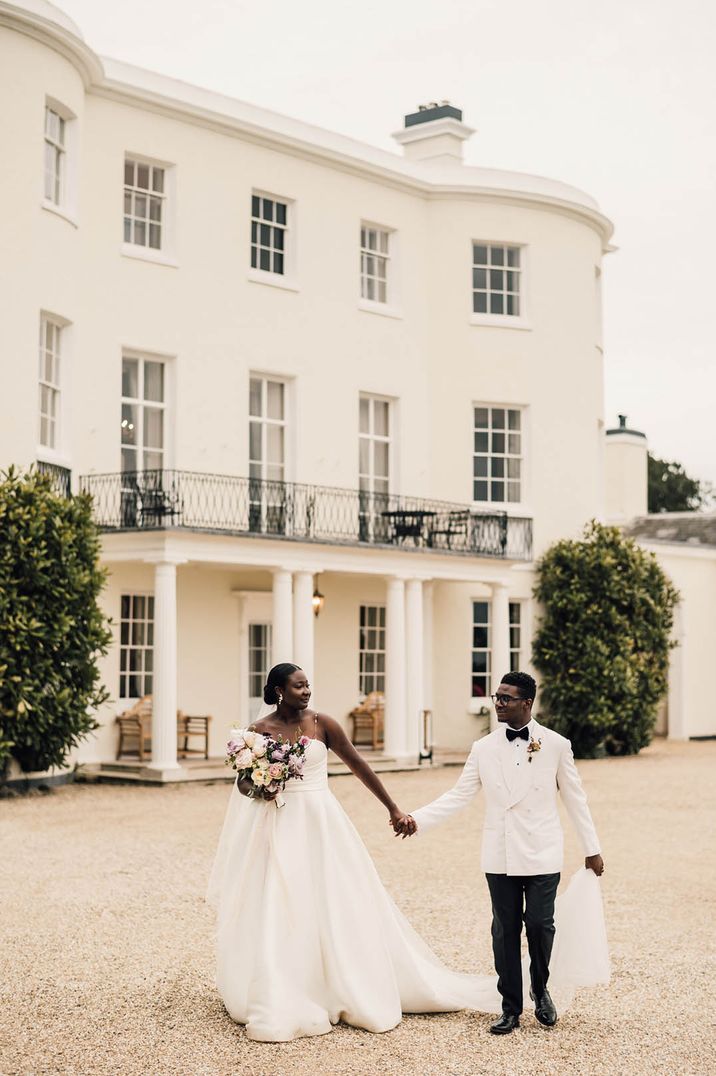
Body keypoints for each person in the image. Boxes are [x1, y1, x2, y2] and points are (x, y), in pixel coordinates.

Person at [206, 662, 503, 1042]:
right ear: (279, 691)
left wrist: (393, 808)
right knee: (279, 899)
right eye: (298, 686)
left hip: (321, 823)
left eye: (308, 685)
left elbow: (359, 766)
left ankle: (346, 982)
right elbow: (243, 784)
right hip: (276, 824)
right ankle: (283, 985)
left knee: (335, 896)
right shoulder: (258, 731)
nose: (306, 691)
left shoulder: (322, 723)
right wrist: (261, 788)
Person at [400, 671, 605, 1035]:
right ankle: (510, 1006)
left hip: (542, 850)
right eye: (496, 697)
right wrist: (418, 819)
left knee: (540, 925)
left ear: (527, 703)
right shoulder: (483, 748)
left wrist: (592, 848)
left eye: (506, 698)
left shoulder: (556, 745)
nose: (498, 703)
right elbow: (459, 795)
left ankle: (540, 988)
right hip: (500, 852)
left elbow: (576, 799)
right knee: (505, 930)